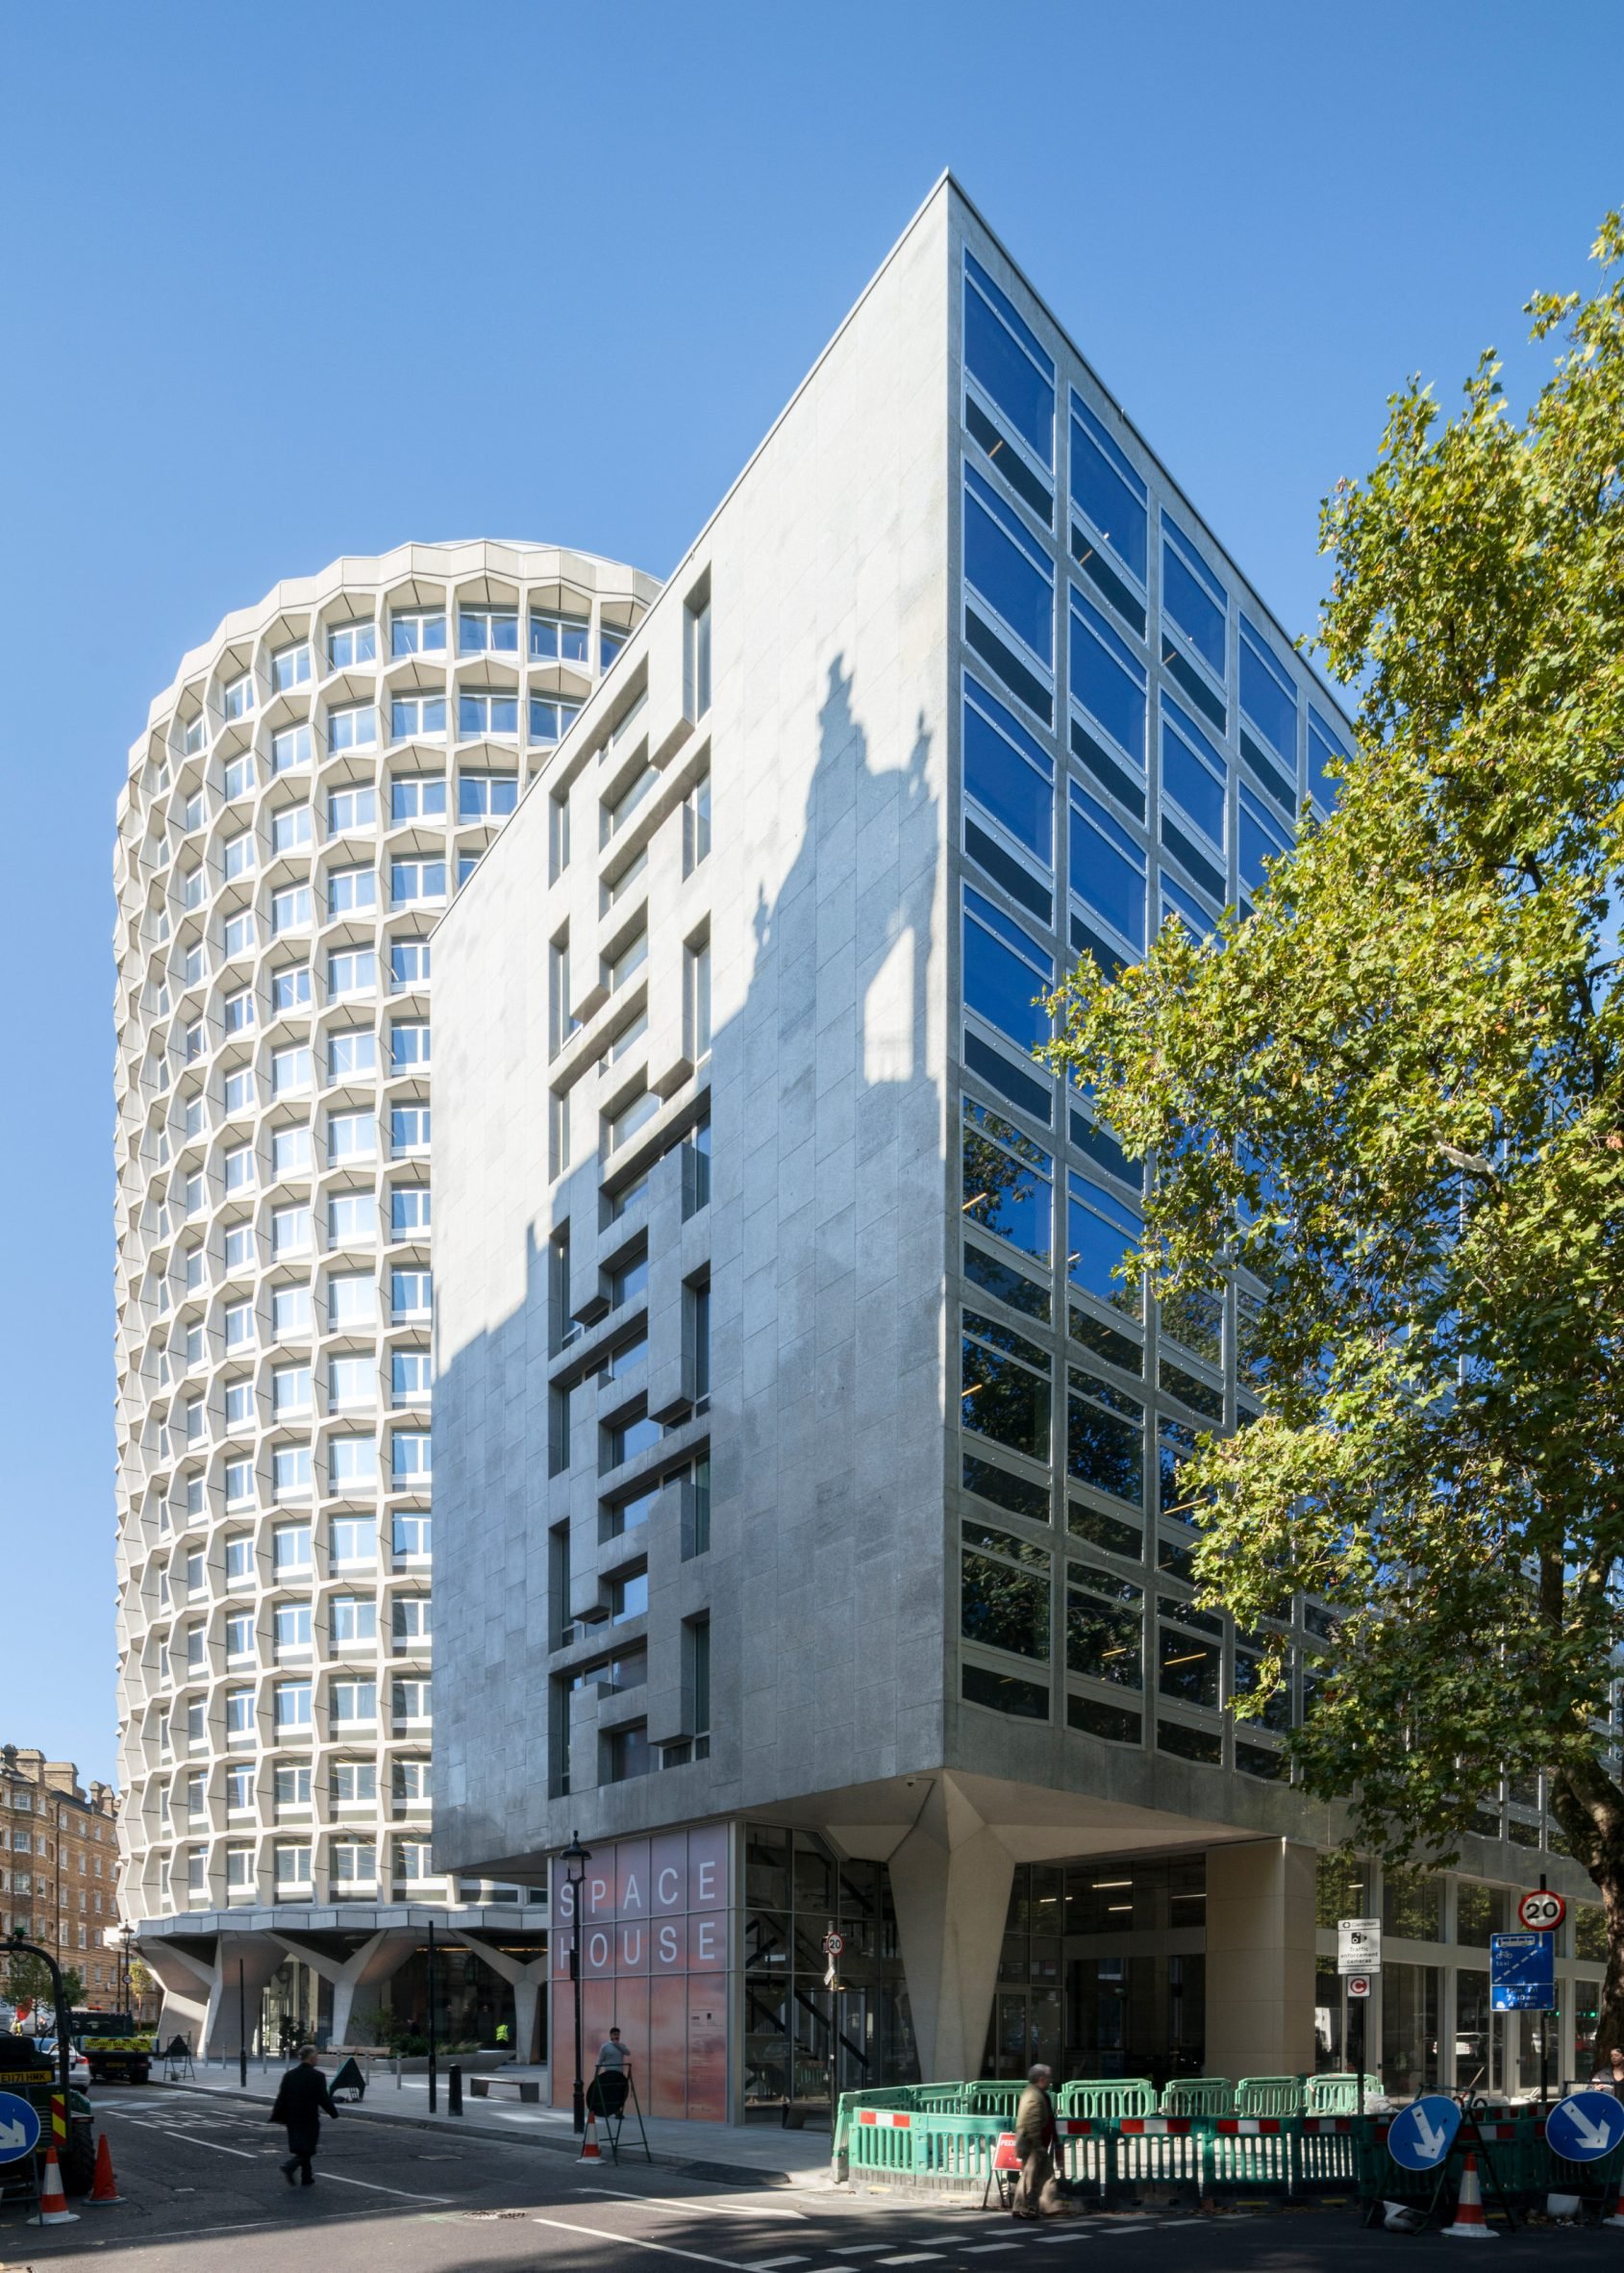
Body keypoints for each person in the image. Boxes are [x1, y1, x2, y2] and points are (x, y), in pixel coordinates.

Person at [269, 2043, 339, 2186]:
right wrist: (333, 2113)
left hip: (292, 2116)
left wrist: (276, 2115)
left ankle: (307, 2177)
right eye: (317, 2056)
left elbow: (282, 2096)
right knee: (308, 2147)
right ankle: (290, 2166)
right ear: (311, 2058)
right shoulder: (317, 2076)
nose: (317, 2059)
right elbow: (323, 2098)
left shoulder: (289, 2075)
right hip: (309, 2117)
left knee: (302, 2146)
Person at [1012, 2061, 1059, 2221]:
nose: (1050, 2080)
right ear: (1041, 2079)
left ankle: (1040, 2206)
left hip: (1033, 2143)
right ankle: (1031, 2207)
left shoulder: (1033, 2093)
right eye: (1048, 2078)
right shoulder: (1034, 2095)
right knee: (1032, 2175)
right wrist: (1037, 2145)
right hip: (1032, 2145)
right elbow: (1032, 2123)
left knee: (1037, 2175)